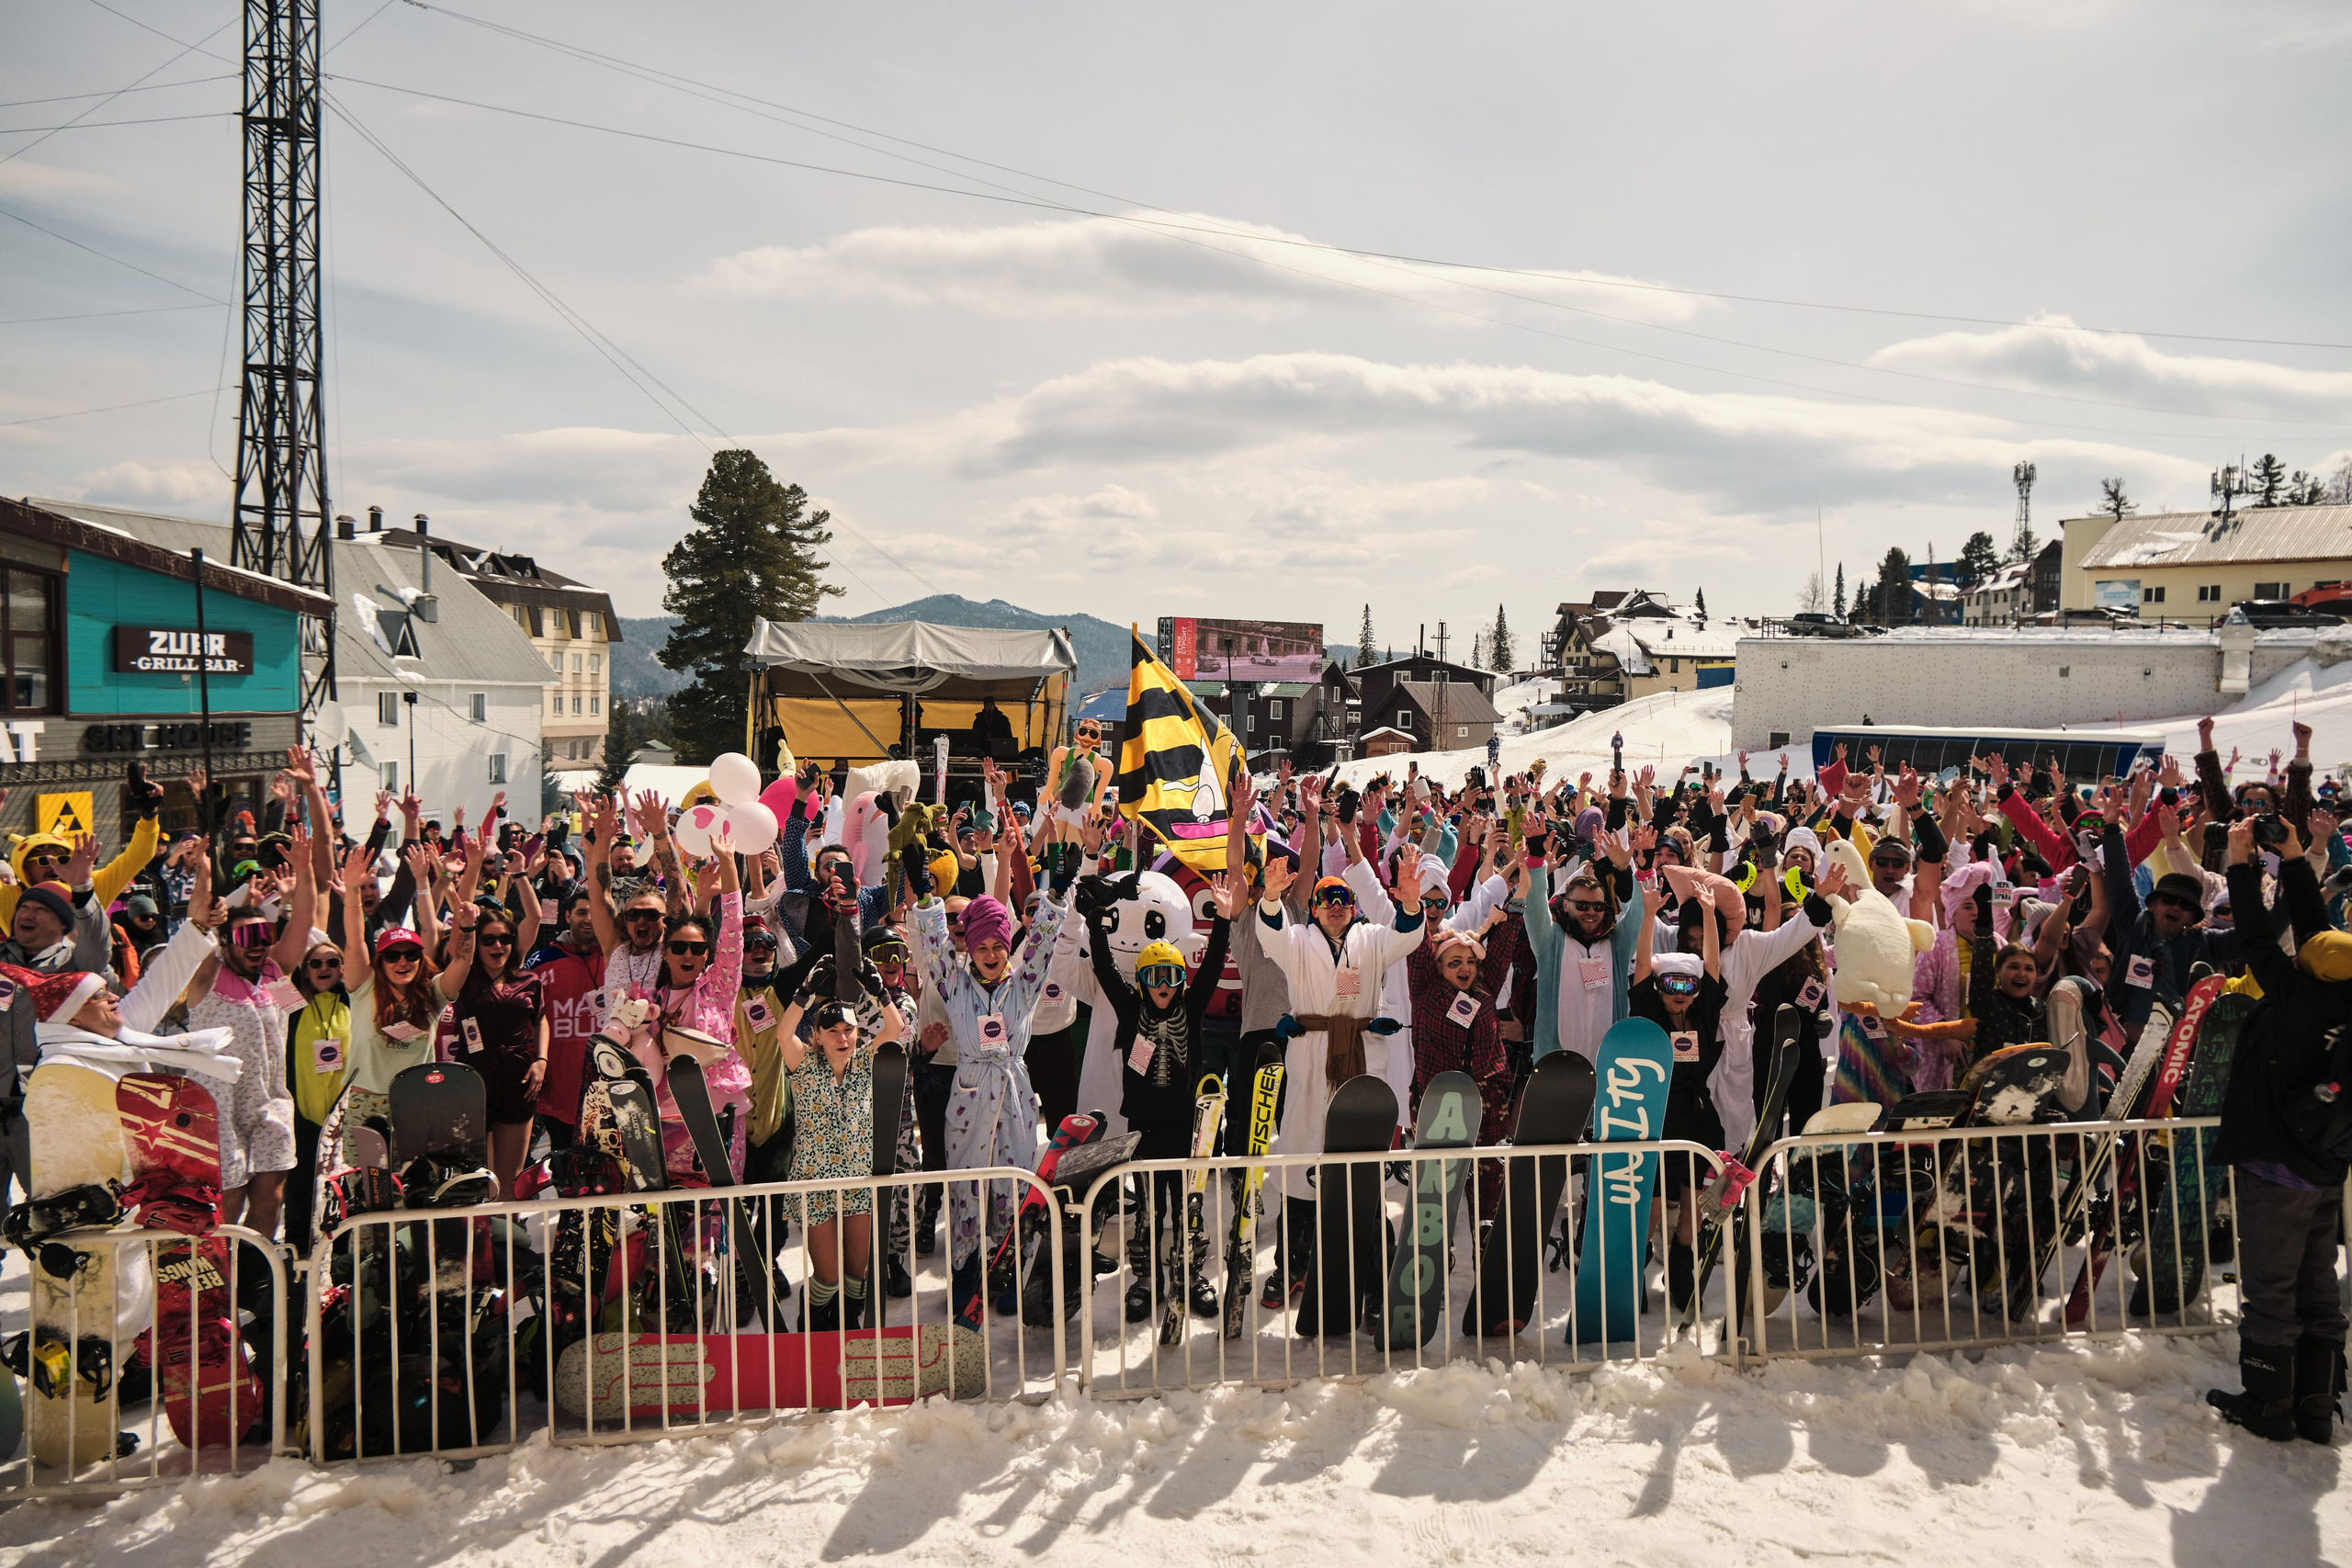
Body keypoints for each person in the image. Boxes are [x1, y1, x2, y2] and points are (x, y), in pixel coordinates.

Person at [2208, 817, 2350, 1443]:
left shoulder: (2293, 996)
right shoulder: (2340, 996)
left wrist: (2242, 863)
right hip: (2327, 1163)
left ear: (2312, 969)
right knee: (2318, 1282)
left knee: (2269, 1286)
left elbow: (2256, 933)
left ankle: (2269, 1402)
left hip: (2275, 1165)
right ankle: (2317, 1402)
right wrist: (2293, 856)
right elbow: (2319, 930)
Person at [1250, 854, 1423, 1310]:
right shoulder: (1298, 942)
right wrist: (1270, 896)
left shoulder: (1370, 940)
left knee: (1362, 1172)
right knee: (1301, 1163)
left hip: (1361, 1057)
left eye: (1342, 898)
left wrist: (1409, 905)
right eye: (1325, 899)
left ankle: (1375, 1283)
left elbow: (1407, 937)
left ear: (1353, 905)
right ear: (1312, 907)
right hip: (1310, 1058)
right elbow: (1269, 933)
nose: (1335, 905)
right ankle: (1294, 1266)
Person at [912, 880, 1070, 1312]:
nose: (989, 954)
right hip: (968, 1097)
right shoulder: (955, 984)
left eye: (997, 946)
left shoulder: (1024, 986)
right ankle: (965, 1274)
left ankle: (1008, 1273)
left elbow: (1042, 946)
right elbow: (935, 949)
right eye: (979, 946)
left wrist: (1055, 899)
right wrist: (926, 901)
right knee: (966, 1188)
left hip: (1014, 1099)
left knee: (1012, 1186)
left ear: (1006, 948)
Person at [1082, 875, 1235, 1323]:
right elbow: (1106, 970)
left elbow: (1209, 971)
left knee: (1188, 1205)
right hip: (1145, 1126)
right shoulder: (1131, 1010)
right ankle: (1146, 1278)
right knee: (1149, 1208)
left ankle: (1191, 1273)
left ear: (1181, 982)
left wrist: (1222, 919)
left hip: (1186, 1126)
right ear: (1143, 982)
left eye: (1171, 976)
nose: (1163, 985)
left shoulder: (1191, 1006)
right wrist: (1096, 922)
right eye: (1154, 977)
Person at [185, 825, 318, 1239]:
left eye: (264, 934)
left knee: (270, 1200)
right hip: (219, 1108)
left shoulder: (276, 974)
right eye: (246, 935)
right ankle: (216, 1287)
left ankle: (253, 1282)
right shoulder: (207, 977)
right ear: (225, 942)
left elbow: (304, 922)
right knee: (228, 1207)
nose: (258, 944)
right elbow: (194, 929)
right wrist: (205, 878)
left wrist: (305, 870)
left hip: (270, 1103)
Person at [773, 988, 907, 1330]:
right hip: (815, 1185)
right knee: (829, 1277)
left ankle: (849, 1327)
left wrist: (880, 994)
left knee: (856, 1273)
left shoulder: (864, 1062)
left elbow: (895, 1028)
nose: (841, 1037)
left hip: (859, 1184)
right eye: (832, 1031)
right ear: (817, 1036)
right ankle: (815, 1326)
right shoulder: (803, 1064)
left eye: (848, 1030)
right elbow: (782, 1034)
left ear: (857, 1032)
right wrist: (801, 995)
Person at [1629, 883, 1726, 1310]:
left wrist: (1708, 913)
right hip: (1656, 1116)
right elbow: (1642, 976)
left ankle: (1682, 1267)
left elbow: (1713, 966)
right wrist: (1649, 914)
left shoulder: (1704, 1012)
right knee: (1651, 1208)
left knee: (1692, 1208)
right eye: (1671, 983)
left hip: (1697, 1118)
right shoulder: (1650, 1010)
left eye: (1688, 985)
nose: (1679, 993)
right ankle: (1633, 1269)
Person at [437, 896, 547, 1202]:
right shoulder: (463, 978)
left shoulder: (528, 980)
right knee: (477, 1179)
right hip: (473, 1081)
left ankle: (506, 1241)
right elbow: (459, 949)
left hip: (518, 1079)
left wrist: (541, 1060)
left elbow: (540, 1020)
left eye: (505, 939)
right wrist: (468, 922)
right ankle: (480, 1243)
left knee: (510, 1181)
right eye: (489, 940)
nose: (498, 947)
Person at [283, 934, 353, 1254]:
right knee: (300, 1193)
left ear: (343, 968)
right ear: (305, 970)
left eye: (332, 962)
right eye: (315, 963)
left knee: (344, 1194)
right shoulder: (292, 1005)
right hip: (303, 1119)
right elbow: (277, 963)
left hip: (343, 1122)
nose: (324, 968)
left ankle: (340, 1260)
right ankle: (298, 1260)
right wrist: (286, 907)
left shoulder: (356, 1001)